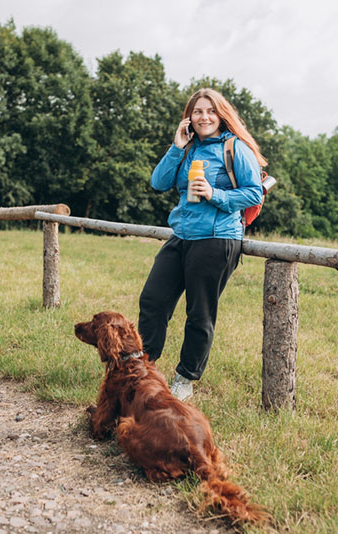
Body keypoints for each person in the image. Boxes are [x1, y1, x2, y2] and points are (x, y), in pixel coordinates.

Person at [138, 88, 267, 401]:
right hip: (181, 236)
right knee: (153, 302)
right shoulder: (187, 147)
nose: (204, 117)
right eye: (198, 111)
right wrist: (176, 146)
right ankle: (142, 369)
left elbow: (254, 193)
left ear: (221, 115)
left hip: (217, 239)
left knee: (199, 313)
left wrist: (214, 194)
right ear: (189, 117)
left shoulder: (235, 148)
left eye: (210, 111)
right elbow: (158, 183)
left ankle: (184, 379)